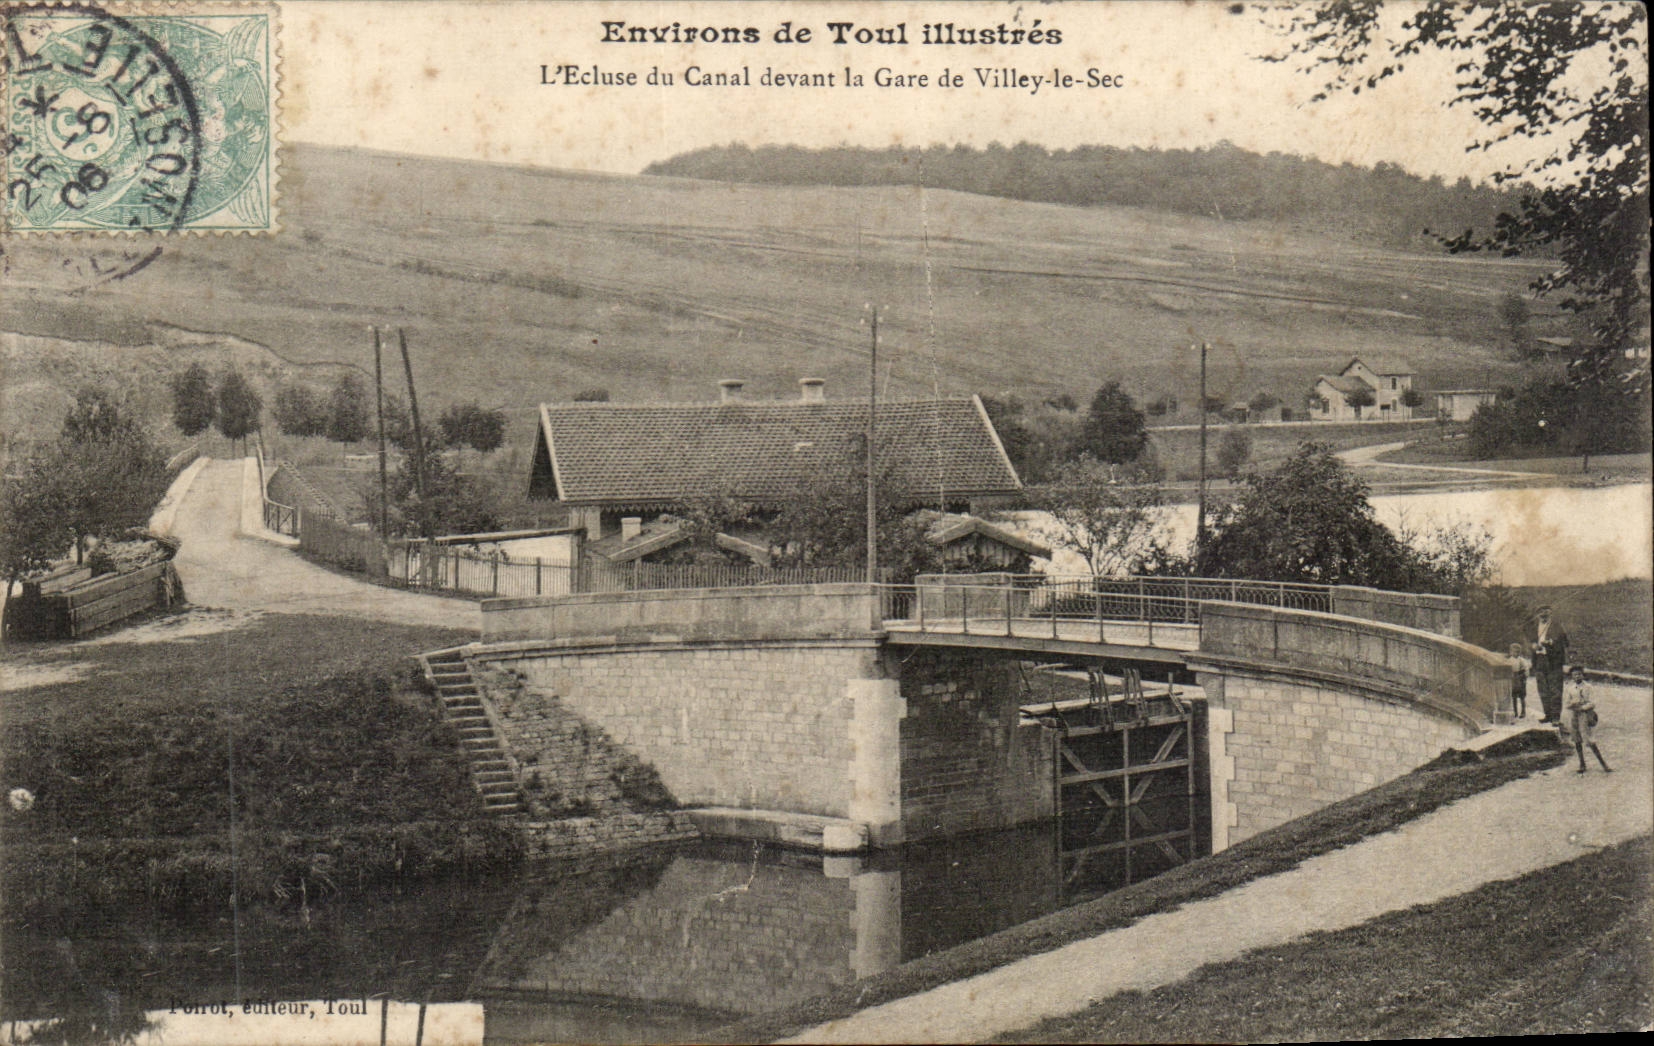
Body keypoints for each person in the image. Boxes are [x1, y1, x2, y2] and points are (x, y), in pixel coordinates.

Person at [1564, 666, 1612, 774]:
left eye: (1579, 674)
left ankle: (1604, 764)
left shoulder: (1588, 687)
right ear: (1572, 677)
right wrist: (1573, 704)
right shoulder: (1570, 688)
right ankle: (1582, 764)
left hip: (1585, 714)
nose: (1577, 676)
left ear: (1583, 675)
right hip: (1573, 714)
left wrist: (1582, 707)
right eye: (1574, 675)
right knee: (1576, 739)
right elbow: (1566, 703)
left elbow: (1592, 702)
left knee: (1588, 739)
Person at [1529, 605, 1569, 724]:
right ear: (1537, 615)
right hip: (1539, 660)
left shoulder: (1557, 626)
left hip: (1553, 661)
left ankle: (1556, 717)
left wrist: (1550, 642)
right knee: (1543, 690)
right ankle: (1548, 715)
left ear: (1550, 614)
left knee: (1555, 690)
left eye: (1546, 613)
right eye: (1540, 613)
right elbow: (1531, 641)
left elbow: (1564, 641)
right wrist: (1533, 645)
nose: (1543, 615)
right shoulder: (1534, 627)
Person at [1507, 643, 1530, 719]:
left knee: (1522, 697)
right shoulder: (1509, 660)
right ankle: (1515, 712)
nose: (1515, 653)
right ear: (1510, 652)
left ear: (1519, 652)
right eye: (1513, 651)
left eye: (1517, 652)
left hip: (1520, 678)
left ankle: (1523, 712)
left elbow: (1526, 670)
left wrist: (1524, 678)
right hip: (1513, 679)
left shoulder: (1522, 660)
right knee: (1513, 697)